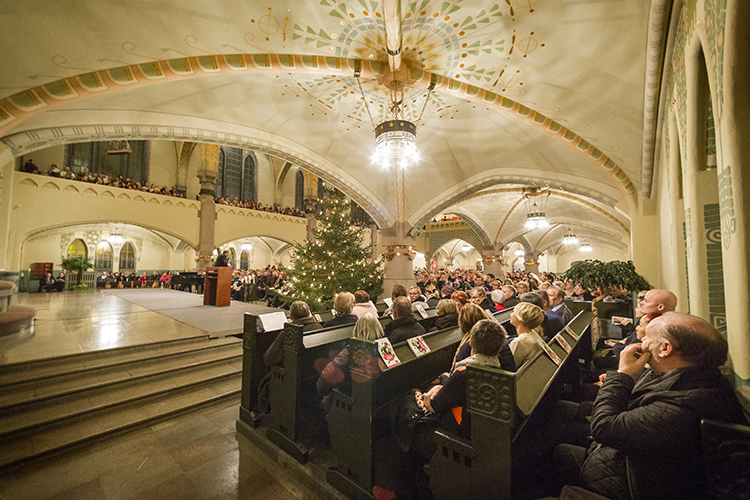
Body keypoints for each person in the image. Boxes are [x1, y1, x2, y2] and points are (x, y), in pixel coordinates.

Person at [558, 313, 747, 500]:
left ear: (665, 348)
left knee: (559, 450)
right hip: (631, 462)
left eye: (647, 337)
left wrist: (622, 374)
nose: (641, 341)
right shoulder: (690, 374)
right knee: (561, 414)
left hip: (633, 483)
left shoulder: (686, 406)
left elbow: (605, 427)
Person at [316, 312, 384, 410]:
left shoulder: (348, 353)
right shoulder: (385, 351)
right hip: (379, 404)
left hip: (350, 405)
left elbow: (322, 387)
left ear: (356, 329)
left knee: (325, 403)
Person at [508, 302, 545, 369]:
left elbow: (509, 366)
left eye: (513, 312)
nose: (511, 314)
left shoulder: (520, 342)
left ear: (519, 318)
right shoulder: (533, 334)